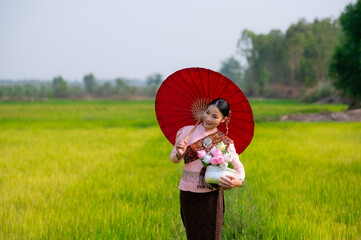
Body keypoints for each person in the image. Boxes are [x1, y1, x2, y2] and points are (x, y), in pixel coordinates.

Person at [170, 98, 245, 240]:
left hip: (211, 196)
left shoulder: (224, 141)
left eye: (215, 116)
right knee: (192, 235)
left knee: (211, 235)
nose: (208, 118)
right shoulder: (186, 131)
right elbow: (173, 158)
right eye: (207, 112)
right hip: (188, 193)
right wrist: (179, 152)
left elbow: (239, 167)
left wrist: (239, 181)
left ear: (224, 120)